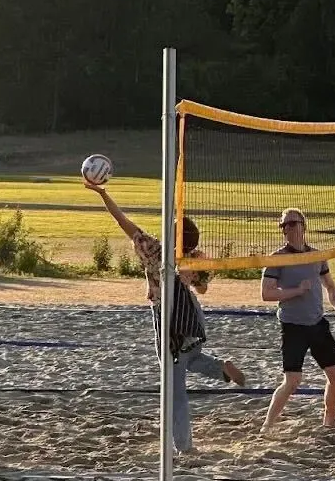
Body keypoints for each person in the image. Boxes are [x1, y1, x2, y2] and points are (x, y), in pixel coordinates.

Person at [86, 180, 245, 457]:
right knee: (190, 359)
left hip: (170, 319)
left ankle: (184, 446)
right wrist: (188, 276)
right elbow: (203, 288)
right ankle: (221, 369)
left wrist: (103, 194)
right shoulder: (194, 257)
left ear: (174, 235)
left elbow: (123, 222)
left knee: (174, 386)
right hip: (193, 319)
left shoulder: (156, 253)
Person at [260, 208, 335, 434]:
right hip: (292, 326)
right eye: (284, 225)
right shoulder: (277, 258)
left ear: (303, 226)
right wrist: (296, 291)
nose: (287, 228)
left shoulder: (316, 255)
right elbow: (267, 294)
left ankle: (329, 422)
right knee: (292, 380)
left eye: (292, 223)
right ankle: (268, 425)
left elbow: (330, 286)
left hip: (317, 324)